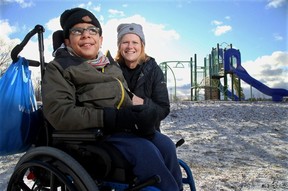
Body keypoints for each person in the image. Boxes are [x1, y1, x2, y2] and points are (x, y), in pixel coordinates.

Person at [42, 8, 182, 191]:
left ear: (100, 40)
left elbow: (127, 98)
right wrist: (112, 117)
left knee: (165, 145)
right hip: (93, 136)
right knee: (145, 151)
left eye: (92, 30)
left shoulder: (110, 66)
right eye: (77, 31)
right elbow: (60, 114)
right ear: (67, 40)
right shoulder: (59, 68)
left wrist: (142, 115)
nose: (86, 35)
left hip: (124, 130)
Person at [115, 23, 170, 132]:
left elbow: (163, 109)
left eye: (135, 42)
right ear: (119, 46)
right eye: (125, 42)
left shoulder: (153, 70)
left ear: (142, 46)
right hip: (118, 132)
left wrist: (142, 103)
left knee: (167, 148)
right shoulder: (111, 69)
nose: (130, 46)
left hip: (147, 131)